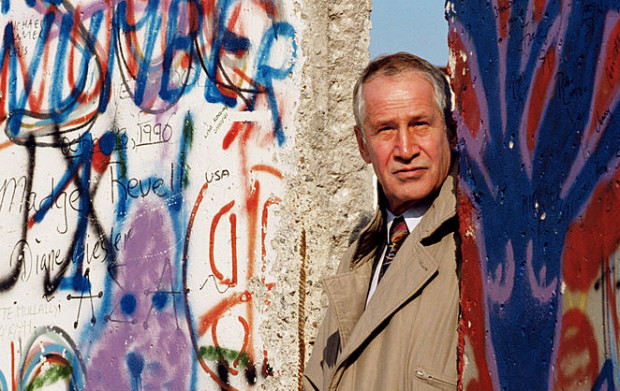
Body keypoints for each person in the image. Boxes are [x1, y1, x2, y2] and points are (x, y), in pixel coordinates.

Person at [303, 53, 459, 390]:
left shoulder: (471, 248)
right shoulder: (360, 255)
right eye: (385, 130)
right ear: (362, 145)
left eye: (419, 124)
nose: (405, 149)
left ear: (449, 129)